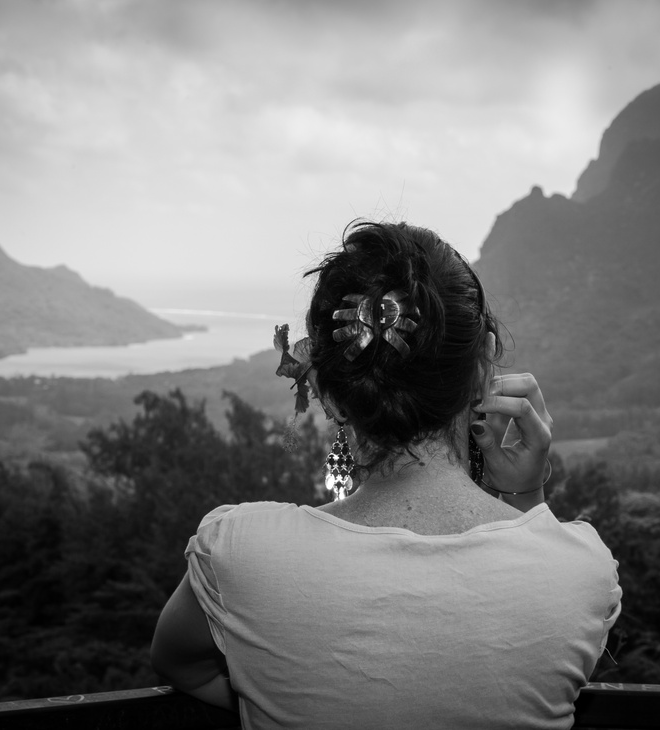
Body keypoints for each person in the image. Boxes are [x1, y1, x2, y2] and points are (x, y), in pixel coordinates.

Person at [151, 221, 621, 729]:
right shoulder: (579, 571)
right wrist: (527, 496)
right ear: (484, 369)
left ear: (327, 393)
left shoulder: (240, 555)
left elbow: (182, 665)